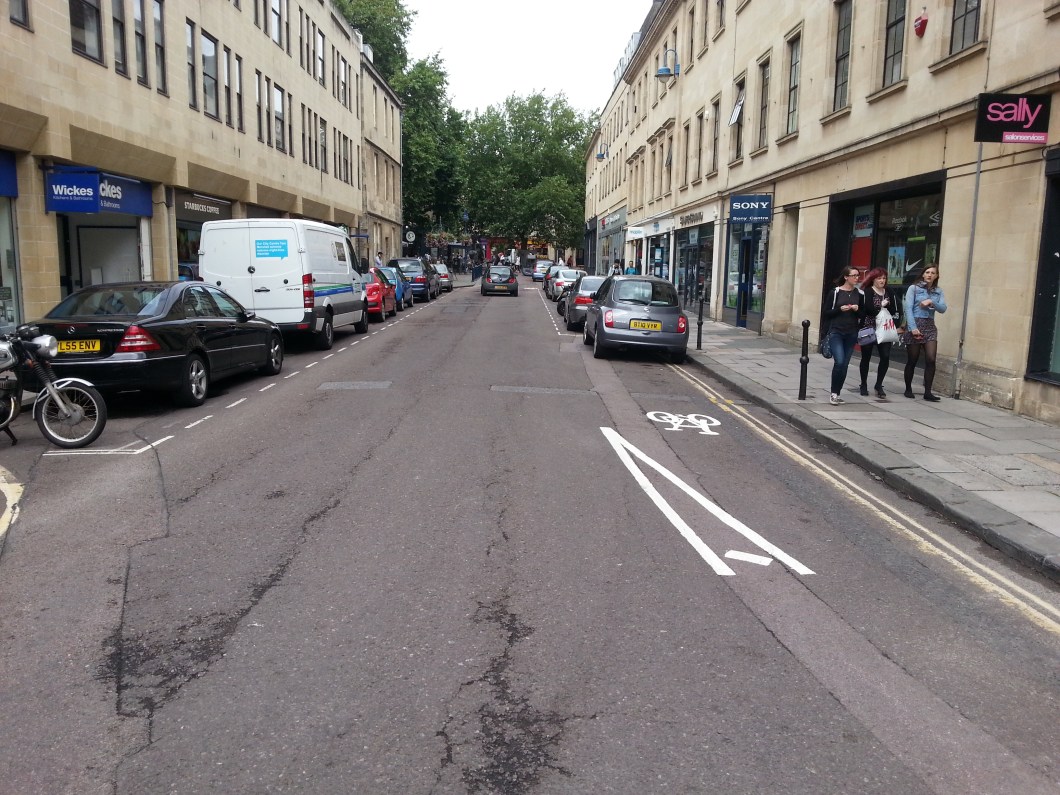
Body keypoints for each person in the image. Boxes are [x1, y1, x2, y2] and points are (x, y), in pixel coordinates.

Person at [902, 265, 947, 401]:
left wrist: (932, 302)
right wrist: (913, 328)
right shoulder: (913, 288)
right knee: (913, 359)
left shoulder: (938, 291)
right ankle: (908, 388)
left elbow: (943, 308)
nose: (929, 275)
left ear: (936, 276)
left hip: (930, 326)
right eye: (927, 272)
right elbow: (908, 309)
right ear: (923, 274)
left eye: (933, 273)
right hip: (915, 324)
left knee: (931, 359)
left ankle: (928, 392)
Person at [823, 267, 866, 405]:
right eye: (853, 275)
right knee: (839, 362)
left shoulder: (860, 294)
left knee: (845, 364)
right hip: (836, 332)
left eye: (858, 276)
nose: (856, 278)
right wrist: (839, 309)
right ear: (846, 277)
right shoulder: (835, 292)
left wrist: (857, 310)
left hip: (851, 333)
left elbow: (863, 315)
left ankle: (837, 393)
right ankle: (833, 393)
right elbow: (826, 312)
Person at [857, 267, 899, 399]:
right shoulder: (868, 291)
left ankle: (879, 384)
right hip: (869, 327)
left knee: (885, 356)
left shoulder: (889, 291)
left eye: (884, 278)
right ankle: (863, 384)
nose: (882, 280)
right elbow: (869, 309)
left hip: (885, 328)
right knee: (866, 357)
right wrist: (881, 305)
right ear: (873, 279)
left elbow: (893, 310)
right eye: (879, 278)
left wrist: (886, 306)